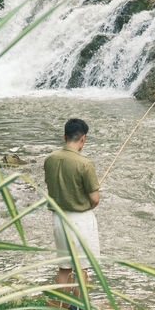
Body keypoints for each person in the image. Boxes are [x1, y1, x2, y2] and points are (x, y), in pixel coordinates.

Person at [44, 118, 100, 297]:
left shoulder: (50, 159)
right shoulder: (85, 164)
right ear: (83, 138)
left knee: (64, 268)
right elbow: (95, 199)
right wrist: (87, 203)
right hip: (80, 221)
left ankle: (59, 308)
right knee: (81, 268)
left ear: (64, 136)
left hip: (58, 219)